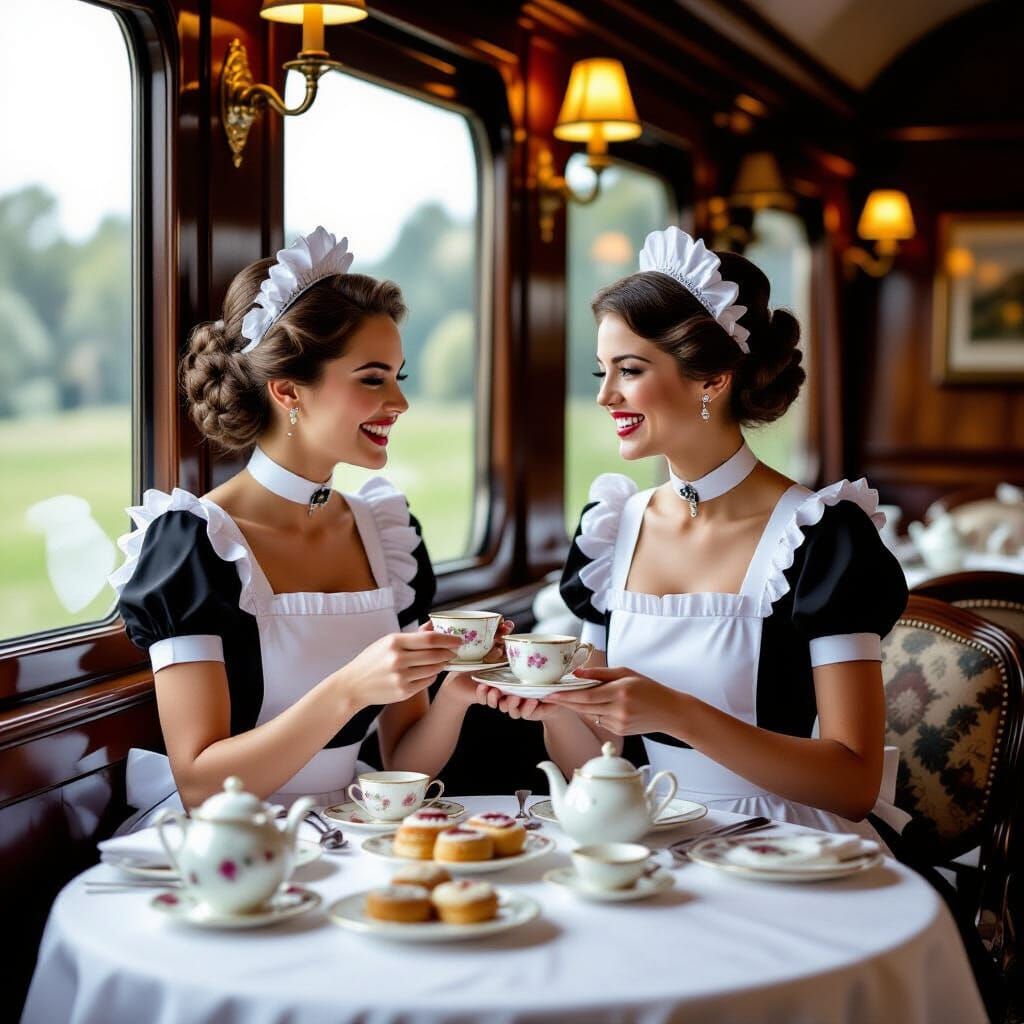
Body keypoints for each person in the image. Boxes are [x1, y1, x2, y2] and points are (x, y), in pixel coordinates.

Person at [480, 226, 908, 840]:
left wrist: (675, 711)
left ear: (712, 380)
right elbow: (594, 760)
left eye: (628, 370)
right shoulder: (611, 530)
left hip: (788, 844)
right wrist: (558, 706)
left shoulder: (822, 536)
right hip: (651, 833)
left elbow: (853, 785)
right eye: (603, 370)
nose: (605, 395)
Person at [109, 227, 505, 828]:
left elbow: (404, 761)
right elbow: (199, 786)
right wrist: (350, 688)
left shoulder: (386, 534)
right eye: (373, 378)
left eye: (399, 376)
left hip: (352, 828)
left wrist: (457, 691)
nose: (399, 403)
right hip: (232, 844)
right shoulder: (191, 544)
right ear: (288, 390)